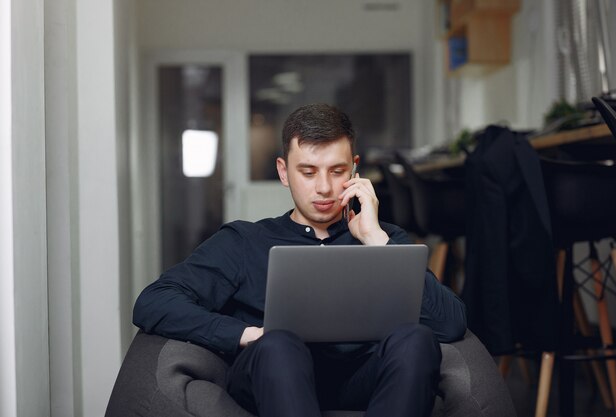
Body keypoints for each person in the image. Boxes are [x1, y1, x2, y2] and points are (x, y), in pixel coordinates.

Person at [133, 103, 467, 417]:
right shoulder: (244, 241)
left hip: (362, 377)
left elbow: (450, 323)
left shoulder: (383, 238)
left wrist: (374, 239)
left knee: (416, 339)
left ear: (354, 169)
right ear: (283, 171)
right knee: (278, 344)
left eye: (337, 171)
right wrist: (246, 333)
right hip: (274, 373)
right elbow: (154, 301)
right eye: (308, 172)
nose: (323, 188)